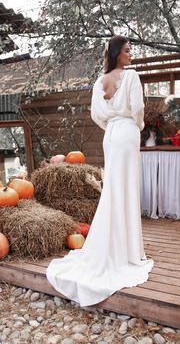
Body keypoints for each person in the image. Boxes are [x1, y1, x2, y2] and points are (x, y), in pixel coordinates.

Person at [46, 35, 154, 307]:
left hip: (111, 135)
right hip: (128, 132)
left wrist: (112, 127)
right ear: (118, 53)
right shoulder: (131, 77)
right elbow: (139, 108)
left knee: (113, 190)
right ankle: (128, 253)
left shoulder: (99, 82)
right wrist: (136, 126)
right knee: (126, 189)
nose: (131, 55)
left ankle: (116, 248)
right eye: (128, 50)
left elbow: (96, 114)